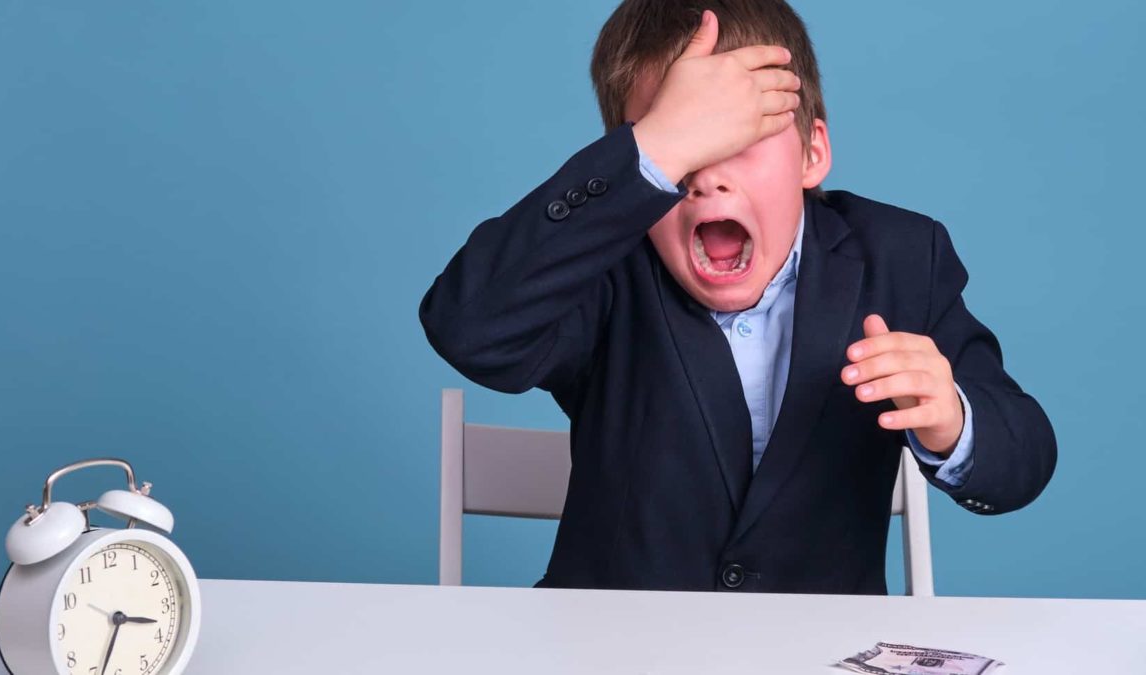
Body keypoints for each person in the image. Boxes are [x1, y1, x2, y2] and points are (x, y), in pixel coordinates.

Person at [419, 0, 1056, 594]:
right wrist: (649, 153)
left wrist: (953, 421)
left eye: (740, 142)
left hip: (817, 654)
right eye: (680, 149)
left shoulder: (901, 257)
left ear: (812, 154)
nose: (707, 179)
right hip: (612, 651)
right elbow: (468, 324)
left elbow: (1022, 461)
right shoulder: (601, 265)